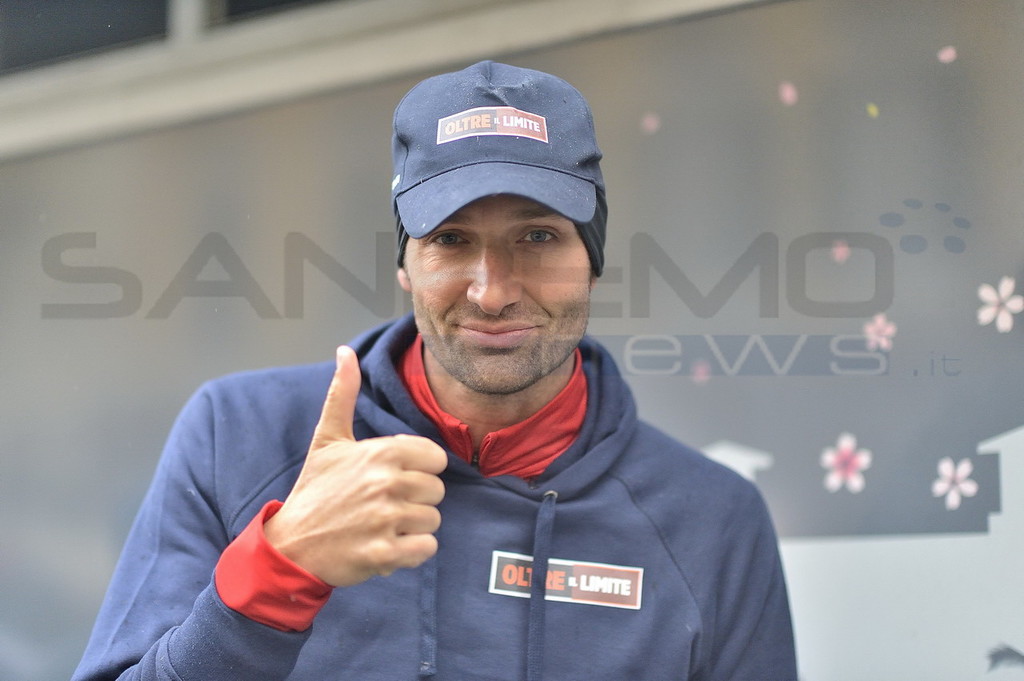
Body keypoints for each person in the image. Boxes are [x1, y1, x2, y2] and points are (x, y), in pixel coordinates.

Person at [73, 60, 797, 681]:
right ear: (406, 264)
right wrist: (278, 570)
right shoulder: (240, 434)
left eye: (537, 236)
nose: (492, 291)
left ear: (593, 261)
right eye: (451, 239)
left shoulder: (710, 518)